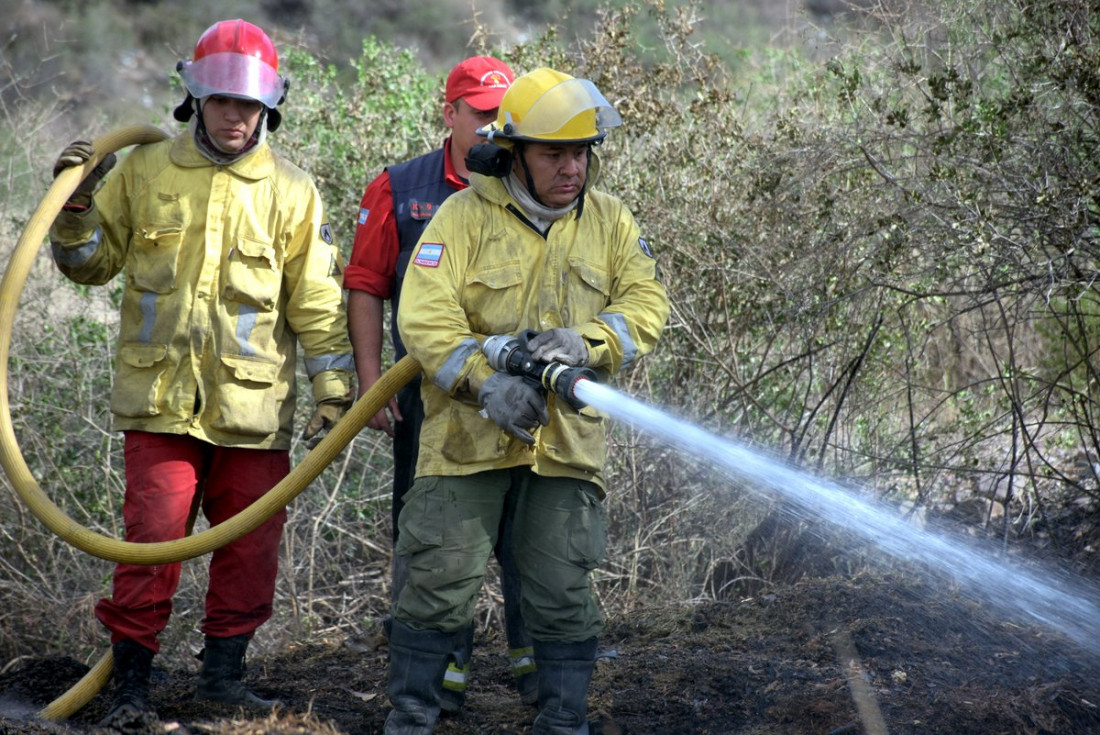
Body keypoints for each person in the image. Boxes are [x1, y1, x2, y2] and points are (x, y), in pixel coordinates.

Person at [48, 19, 355, 726]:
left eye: (249, 104)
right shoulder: (146, 172)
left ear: (271, 105)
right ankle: (130, 690)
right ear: (195, 98)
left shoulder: (293, 192)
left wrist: (334, 391)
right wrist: (74, 207)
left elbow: (317, 302)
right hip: (159, 405)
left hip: (253, 416)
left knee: (250, 550)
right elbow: (87, 268)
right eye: (223, 101)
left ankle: (223, 680)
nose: (236, 116)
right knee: (149, 543)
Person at [385, 67, 669, 735]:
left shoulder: (609, 222)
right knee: (436, 583)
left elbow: (647, 304)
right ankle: (412, 719)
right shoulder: (462, 216)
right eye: (553, 153)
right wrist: (488, 384)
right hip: (464, 440)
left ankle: (563, 721)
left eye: (581, 152)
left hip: (564, 444)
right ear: (514, 153)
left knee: (564, 590)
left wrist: (590, 339)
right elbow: (423, 319)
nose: (571, 168)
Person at [345, 56, 537, 711]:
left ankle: (535, 668)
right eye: (481, 113)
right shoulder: (400, 187)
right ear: (449, 113)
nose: (493, 128)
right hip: (429, 401)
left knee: (529, 531)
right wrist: (372, 385)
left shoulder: (533, 175)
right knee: (434, 540)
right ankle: (440, 679)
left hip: (521, 397)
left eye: (502, 115)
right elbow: (367, 287)